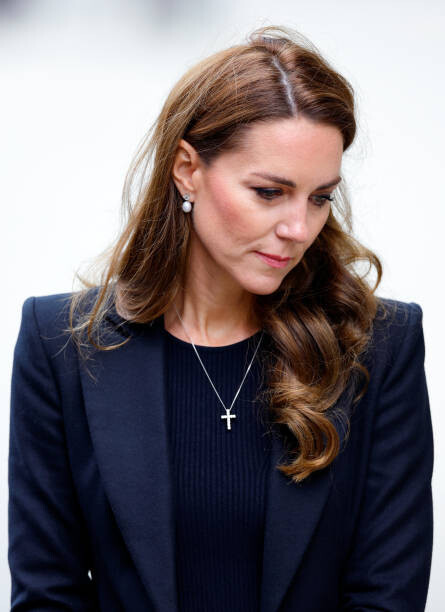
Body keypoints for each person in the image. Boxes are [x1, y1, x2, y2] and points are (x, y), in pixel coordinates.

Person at [8, 24, 434, 612]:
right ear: (187, 168)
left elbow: (387, 595)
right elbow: (46, 593)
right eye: (269, 192)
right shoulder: (61, 344)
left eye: (320, 198)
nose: (299, 229)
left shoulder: (378, 346)